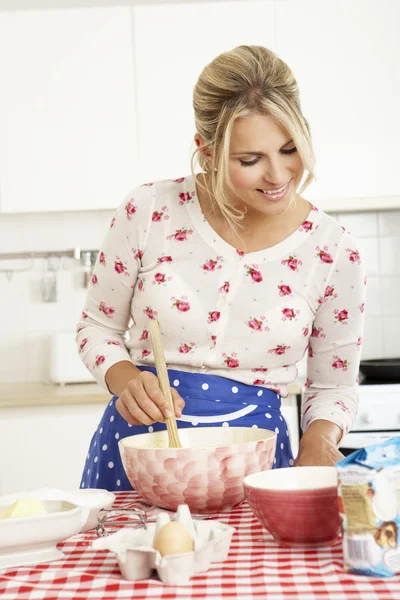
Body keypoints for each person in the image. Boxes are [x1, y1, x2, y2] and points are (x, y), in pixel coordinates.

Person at [77, 45, 366, 491]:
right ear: (207, 152)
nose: (278, 175)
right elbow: (96, 326)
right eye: (250, 160)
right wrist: (126, 380)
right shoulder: (148, 210)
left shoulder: (334, 251)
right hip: (138, 456)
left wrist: (318, 443)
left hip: (257, 468)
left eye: (290, 149)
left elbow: (332, 388)